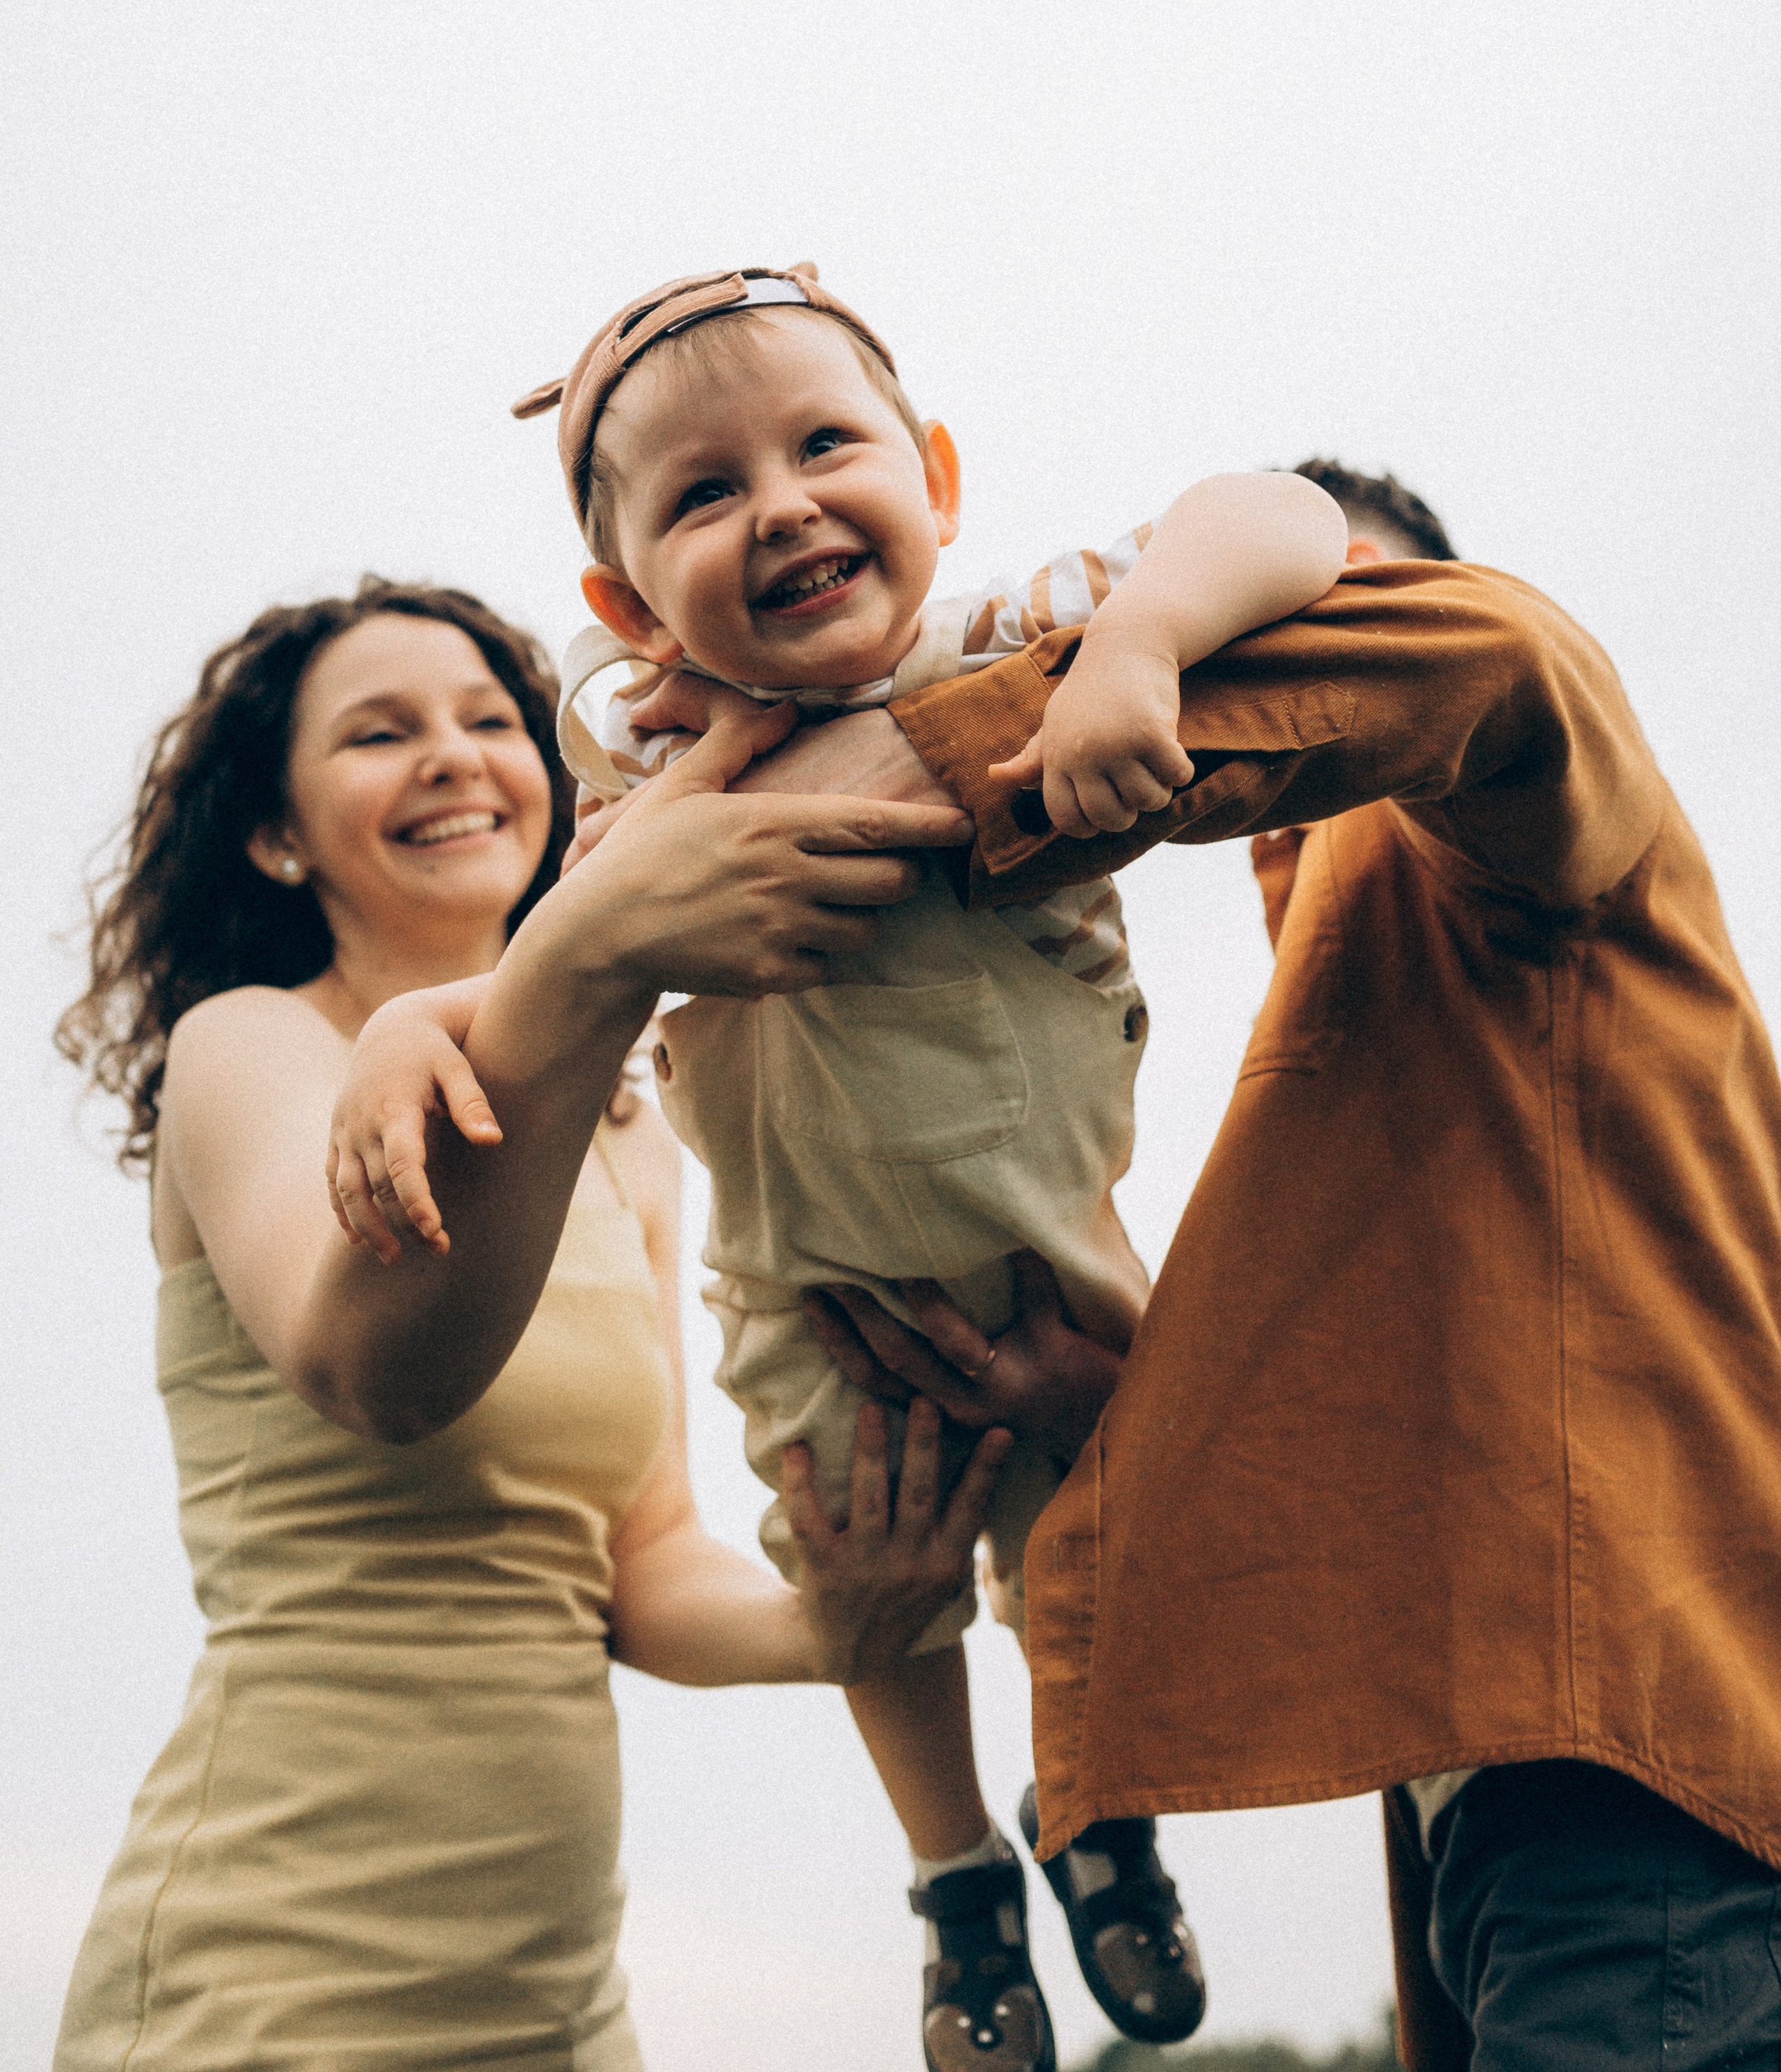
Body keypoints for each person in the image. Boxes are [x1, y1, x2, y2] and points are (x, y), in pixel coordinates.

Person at [327, 263, 1350, 2072]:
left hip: (1052, 1255)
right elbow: (561, 961)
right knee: (867, 1575)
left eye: (824, 444)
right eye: (705, 492)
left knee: (1078, 1558)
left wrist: (1140, 645)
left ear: (933, 473)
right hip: (811, 1291)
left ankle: (1090, 1814)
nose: (781, 503)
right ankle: (956, 1877)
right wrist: (423, 1026)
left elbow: (1287, 517)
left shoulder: (1006, 645)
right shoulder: (649, 774)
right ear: (624, 598)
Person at [804, 458, 1781, 2072]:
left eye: (1300, 616)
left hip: (1644, 1819)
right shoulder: (1386, 1020)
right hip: (1540, 1831)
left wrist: (852, 790)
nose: (1240, 652)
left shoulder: (1530, 770)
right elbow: (1491, 1419)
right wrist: (1115, 1402)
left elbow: (1477, 657)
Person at [51, 575, 1000, 2072]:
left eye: (491, 720)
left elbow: (638, 1566)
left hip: (555, 2004)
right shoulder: (245, 1049)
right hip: (263, 1979)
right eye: (379, 732)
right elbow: (378, 1371)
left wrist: (834, 1622)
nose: (449, 753)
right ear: (275, 833)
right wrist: (598, 954)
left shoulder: (624, 1131)